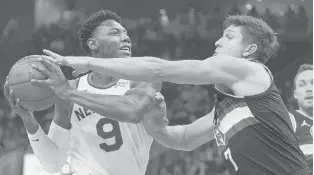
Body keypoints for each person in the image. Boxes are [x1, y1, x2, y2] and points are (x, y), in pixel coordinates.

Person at [42, 15, 312, 175]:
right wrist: (155, 122)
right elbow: (182, 139)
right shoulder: (226, 109)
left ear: (249, 49)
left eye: (229, 37)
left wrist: (86, 62)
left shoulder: (249, 69)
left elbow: (159, 69)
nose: (218, 42)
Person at [4, 10, 167, 175]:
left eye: (125, 33)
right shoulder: (70, 90)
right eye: (114, 32)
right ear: (93, 44)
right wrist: (28, 120)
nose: (126, 38)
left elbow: (133, 112)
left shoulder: (144, 79)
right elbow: (54, 163)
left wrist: (70, 93)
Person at [289, 64, 313, 169]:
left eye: (313, 83)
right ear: (295, 94)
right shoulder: (289, 119)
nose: (309, 89)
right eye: (302, 85)